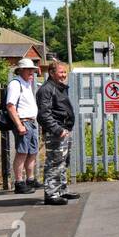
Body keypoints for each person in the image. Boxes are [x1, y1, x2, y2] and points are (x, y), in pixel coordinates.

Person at [36, 61, 80, 206]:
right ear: (52, 73)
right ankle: (51, 194)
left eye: (65, 73)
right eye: (61, 72)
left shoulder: (59, 88)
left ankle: (61, 190)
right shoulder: (46, 89)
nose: (63, 75)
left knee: (63, 162)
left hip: (64, 130)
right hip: (56, 132)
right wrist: (57, 129)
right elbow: (43, 115)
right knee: (54, 162)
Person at [5, 58, 41, 194]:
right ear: (21, 70)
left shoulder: (26, 83)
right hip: (23, 122)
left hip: (31, 122)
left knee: (32, 152)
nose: (32, 72)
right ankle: (19, 183)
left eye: (33, 69)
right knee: (22, 152)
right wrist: (19, 125)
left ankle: (30, 180)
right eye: (29, 70)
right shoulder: (15, 84)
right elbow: (10, 106)